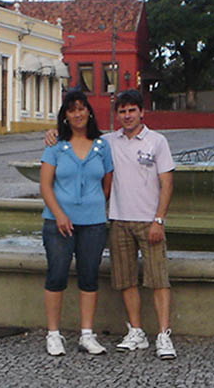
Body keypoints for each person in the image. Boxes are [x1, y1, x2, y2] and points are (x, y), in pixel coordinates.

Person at [43, 88, 177, 359]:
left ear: (142, 112)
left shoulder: (138, 142)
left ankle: (155, 335)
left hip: (122, 221)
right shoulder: (88, 143)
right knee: (73, 276)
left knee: (144, 279)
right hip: (91, 221)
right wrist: (51, 133)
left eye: (132, 111)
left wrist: (158, 219)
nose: (127, 116)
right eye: (122, 111)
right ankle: (60, 334)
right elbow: (48, 184)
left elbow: (159, 183)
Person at [39, 90, 113, 357]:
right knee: (57, 275)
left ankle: (86, 334)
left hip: (92, 223)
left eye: (82, 108)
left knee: (89, 278)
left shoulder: (102, 146)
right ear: (65, 116)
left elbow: (107, 183)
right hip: (57, 223)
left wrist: (91, 206)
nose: (78, 113)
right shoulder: (55, 145)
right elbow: (45, 185)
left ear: (89, 112)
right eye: (72, 110)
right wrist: (59, 213)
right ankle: (53, 334)